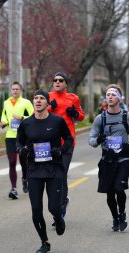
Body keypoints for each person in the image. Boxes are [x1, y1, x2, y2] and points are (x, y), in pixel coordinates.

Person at [17, 89, 73, 253]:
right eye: (36, 98)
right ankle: (44, 242)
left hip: (54, 168)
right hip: (34, 169)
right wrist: (22, 150)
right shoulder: (26, 123)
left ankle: (59, 218)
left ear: (48, 103)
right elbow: (18, 142)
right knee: (36, 210)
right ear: (33, 102)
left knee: (53, 208)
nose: (38, 101)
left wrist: (61, 150)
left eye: (42, 98)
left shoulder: (57, 121)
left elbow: (69, 139)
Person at [88, 84, 129, 232]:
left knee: (119, 187)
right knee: (110, 192)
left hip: (123, 159)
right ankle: (115, 218)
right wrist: (98, 140)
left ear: (119, 98)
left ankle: (122, 213)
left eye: (113, 94)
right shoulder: (101, 118)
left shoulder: (128, 116)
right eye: (108, 95)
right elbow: (91, 140)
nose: (109, 97)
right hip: (107, 160)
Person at [48, 72, 84, 218]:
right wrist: (50, 108)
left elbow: (81, 116)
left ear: (65, 83)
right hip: (50, 142)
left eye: (60, 80)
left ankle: (61, 207)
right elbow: (37, 113)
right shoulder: (47, 96)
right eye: (55, 80)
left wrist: (74, 113)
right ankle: (59, 202)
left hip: (67, 142)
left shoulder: (73, 98)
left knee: (61, 174)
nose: (57, 82)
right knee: (51, 176)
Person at [0, 81, 34, 199]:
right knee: (12, 162)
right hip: (10, 136)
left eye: (17, 89)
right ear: (11, 90)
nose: (15, 91)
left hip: (23, 136)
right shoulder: (6, 102)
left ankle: (25, 178)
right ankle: (13, 188)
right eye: (13, 89)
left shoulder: (26, 102)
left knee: (24, 162)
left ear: (21, 91)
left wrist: (22, 118)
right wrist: (3, 121)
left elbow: (33, 116)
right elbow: (4, 115)